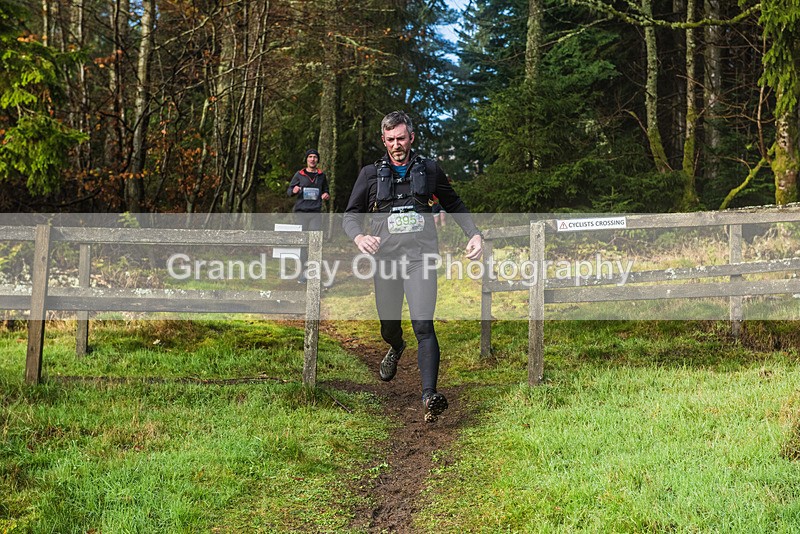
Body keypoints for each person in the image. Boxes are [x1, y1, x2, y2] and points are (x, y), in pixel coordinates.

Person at [342, 111, 482, 422]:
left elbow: (454, 203)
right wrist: (360, 237)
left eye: (401, 138)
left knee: (424, 325)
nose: (396, 145)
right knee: (388, 326)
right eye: (390, 140)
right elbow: (350, 215)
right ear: (384, 140)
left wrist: (474, 234)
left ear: (411, 138)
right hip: (386, 263)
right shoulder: (369, 175)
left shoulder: (430, 170)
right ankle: (396, 345)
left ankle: (429, 396)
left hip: (420, 259)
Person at [287, 149, 330, 282]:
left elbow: (326, 191)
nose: (312, 159)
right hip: (301, 213)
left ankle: (313, 272)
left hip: (315, 213)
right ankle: (302, 273)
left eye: (315, 157)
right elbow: (289, 191)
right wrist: (293, 190)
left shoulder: (321, 176)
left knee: (315, 242)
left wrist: (326, 195)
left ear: (318, 160)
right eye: (310, 157)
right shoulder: (299, 175)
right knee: (302, 243)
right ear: (306, 159)